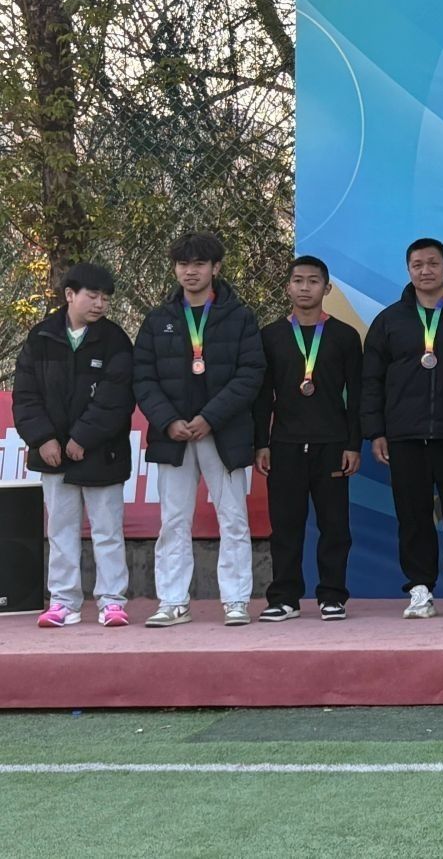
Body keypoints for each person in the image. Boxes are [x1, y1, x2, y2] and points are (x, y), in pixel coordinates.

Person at [134, 232, 267, 628]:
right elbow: (143, 378)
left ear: (216, 268)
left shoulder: (240, 317)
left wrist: (210, 417)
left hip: (223, 433)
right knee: (173, 520)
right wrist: (168, 421)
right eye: (183, 264)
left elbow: (251, 373)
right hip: (173, 435)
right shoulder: (158, 320)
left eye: (198, 264)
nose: (190, 272)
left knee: (233, 518)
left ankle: (236, 600)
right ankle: (173, 601)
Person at [363, 238, 443, 619]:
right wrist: (376, 431)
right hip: (405, 435)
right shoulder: (389, 321)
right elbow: (371, 380)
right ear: (408, 270)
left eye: (433, 263)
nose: (425, 271)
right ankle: (420, 589)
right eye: (417, 264)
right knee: (413, 516)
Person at [14, 263, 135, 629]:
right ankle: (64, 602)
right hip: (53, 456)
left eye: (105, 299)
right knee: (61, 531)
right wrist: (43, 439)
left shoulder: (115, 340)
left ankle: (112, 602)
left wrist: (83, 437)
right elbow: (26, 395)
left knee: (107, 531)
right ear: (70, 295)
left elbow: (117, 397)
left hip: (102, 453)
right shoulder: (41, 336)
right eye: (92, 296)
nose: (100, 304)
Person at [251, 256, 363, 622]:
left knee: (335, 526)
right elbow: (262, 396)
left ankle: (332, 596)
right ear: (287, 287)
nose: (304, 287)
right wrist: (262, 443)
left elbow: (357, 396)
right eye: (298, 280)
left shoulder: (345, 336)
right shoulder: (270, 336)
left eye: (313, 281)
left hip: (332, 444)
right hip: (284, 445)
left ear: (326, 288)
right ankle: (284, 597)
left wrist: (353, 444)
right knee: (286, 526)